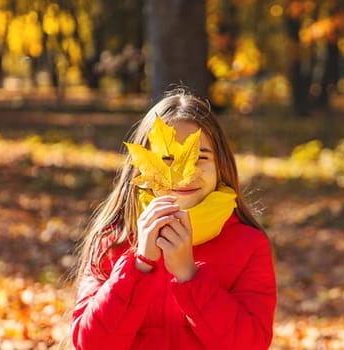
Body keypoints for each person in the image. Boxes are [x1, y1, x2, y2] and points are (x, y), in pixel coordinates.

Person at [69, 89, 276, 349]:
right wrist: (139, 264)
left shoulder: (248, 244)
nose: (184, 175)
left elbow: (251, 344)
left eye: (200, 157)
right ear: (141, 165)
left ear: (221, 165)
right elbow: (90, 344)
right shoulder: (113, 239)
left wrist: (189, 275)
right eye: (166, 159)